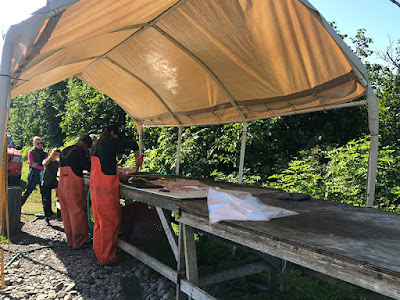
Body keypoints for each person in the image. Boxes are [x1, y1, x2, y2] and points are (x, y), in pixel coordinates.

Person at [90, 125, 141, 265]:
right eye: (117, 136)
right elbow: (131, 144)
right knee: (110, 223)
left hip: (96, 190)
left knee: (100, 223)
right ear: (113, 133)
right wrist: (137, 154)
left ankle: (99, 252)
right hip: (106, 190)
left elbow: (106, 165)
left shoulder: (97, 146)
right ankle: (107, 258)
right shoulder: (108, 142)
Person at [58, 135, 92, 249]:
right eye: (87, 147)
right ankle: (79, 242)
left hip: (62, 184)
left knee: (66, 212)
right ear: (84, 145)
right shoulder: (79, 152)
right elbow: (89, 167)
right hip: (73, 185)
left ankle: (70, 241)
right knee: (77, 212)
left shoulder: (65, 150)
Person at [21, 136, 48, 206]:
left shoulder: (45, 153)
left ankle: (47, 213)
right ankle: (18, 207)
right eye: (37, 143)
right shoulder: (31, 152)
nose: (39, 144)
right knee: (27, 192)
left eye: (41, 143)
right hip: (33, 174)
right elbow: (32, 164)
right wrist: (41, 167)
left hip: (43, 175)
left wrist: (37, 165)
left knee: (44, 193)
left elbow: (46, 164)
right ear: (34, 144)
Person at [41, 148, 61, 225]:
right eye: (54, 154)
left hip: (53, 181)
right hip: (46, 182)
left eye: (56, 155)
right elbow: (44, 163)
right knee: (46, 199)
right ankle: (47, 217)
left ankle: (59, 213)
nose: (54, 156)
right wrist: (50, 158)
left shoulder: (57, 163)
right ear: (51, 153)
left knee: (61, 191)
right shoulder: (47, 160)